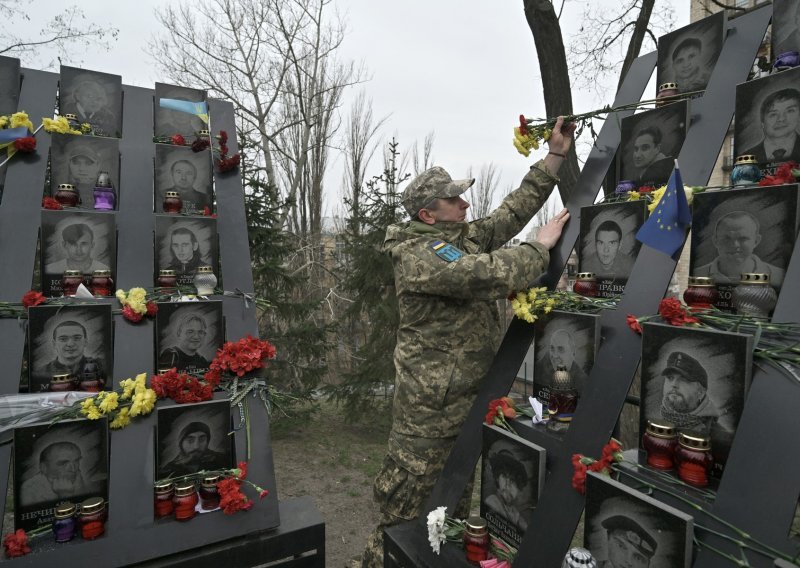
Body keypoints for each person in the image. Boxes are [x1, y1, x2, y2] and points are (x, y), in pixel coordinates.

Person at [358, 116, 575, 567]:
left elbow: (506, 215)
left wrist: (553, 158)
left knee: (449, 513)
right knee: (405, 514)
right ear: (426, 215)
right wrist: (538, 247)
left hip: (465, 401)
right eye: (452, 199)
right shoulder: (419, 257)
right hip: (428, 414)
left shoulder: (453, 239)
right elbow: (487, 274)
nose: (464, 203)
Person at [693, 211, 785, 286]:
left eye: (743, 238)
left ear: (756, 241)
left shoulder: (779, 277)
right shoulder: (697, 275)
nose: (734, 245)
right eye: (727, 238)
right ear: (715, 241)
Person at [656, 351, 734, 437]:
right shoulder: (654, 421)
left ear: (700, 392)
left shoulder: (720, 437)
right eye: (670, 378)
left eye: (683, 379)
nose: (674, 384)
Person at [742, 88, 800, 165]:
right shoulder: (745, 158)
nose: (781, 119)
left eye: (790, 111)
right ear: (762, 123)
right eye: (773, 114)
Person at [20, 441, 87, 506]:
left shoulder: (77, 476)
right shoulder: (29, 490)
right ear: (44, 467)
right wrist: (65, 496)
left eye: (76, 461)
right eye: (63, 463)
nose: (73, 469)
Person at [160, 421, 229, 477]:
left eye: (202, 440)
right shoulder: (170, 470)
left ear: (207, 441)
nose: (196, 446)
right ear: (181, 443)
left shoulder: (221, 460)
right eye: (190, 440)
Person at [483, 449, 529, 534]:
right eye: (504, 476)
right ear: (497, 478)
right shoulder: (493, 501)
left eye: (512, 480)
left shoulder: (515, 512)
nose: (507, 484)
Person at [536, 328, 590, 394]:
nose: (555, 355)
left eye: (561, 349)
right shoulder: (542, 367)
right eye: (552, 348)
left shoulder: (582, 381)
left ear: (572, 351)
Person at [44, 223, 110, 275]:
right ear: (64, 245)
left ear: (92, 245)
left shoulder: (105, 269)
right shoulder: (51, 270)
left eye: (84, 244)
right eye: (73, 244)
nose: (79, 250)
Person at [65, 142, 102, 206]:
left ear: (98, 166)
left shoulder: (104, 193)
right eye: (76, 163)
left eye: (88, 163)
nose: (82, 169)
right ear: (69, 164)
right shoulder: (62, 192)